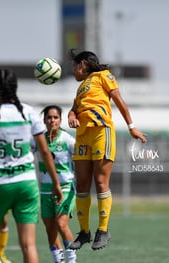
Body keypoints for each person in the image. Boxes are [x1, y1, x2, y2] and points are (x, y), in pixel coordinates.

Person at [0, 69, 63, 263]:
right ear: (16, 87)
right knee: (28, 245)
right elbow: (45, 152)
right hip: (27, 185)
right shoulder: (29, 113)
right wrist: (56, 184)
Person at [67, 49, 147, 251]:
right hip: (83, 135)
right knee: (82, 184)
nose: (73, 70)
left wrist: (131, 127)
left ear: (82, 64)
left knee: (101, 182)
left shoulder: (103, 76)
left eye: (75, 66)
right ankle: (84, 232)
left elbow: (119, 100)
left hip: (102, 133)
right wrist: (71, 115)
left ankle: (102, 230)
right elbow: (74, 108)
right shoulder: (81, 88)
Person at [35, 105, 78, 263]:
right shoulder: (39, 140)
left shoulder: (67, 140)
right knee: (50, 229)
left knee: (61, 224)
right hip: (45, 190)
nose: (52, 120)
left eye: (55, 117)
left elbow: (81, 160)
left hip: (66, 188)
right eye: (49, 117)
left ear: (60, 120)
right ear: (44, 120)